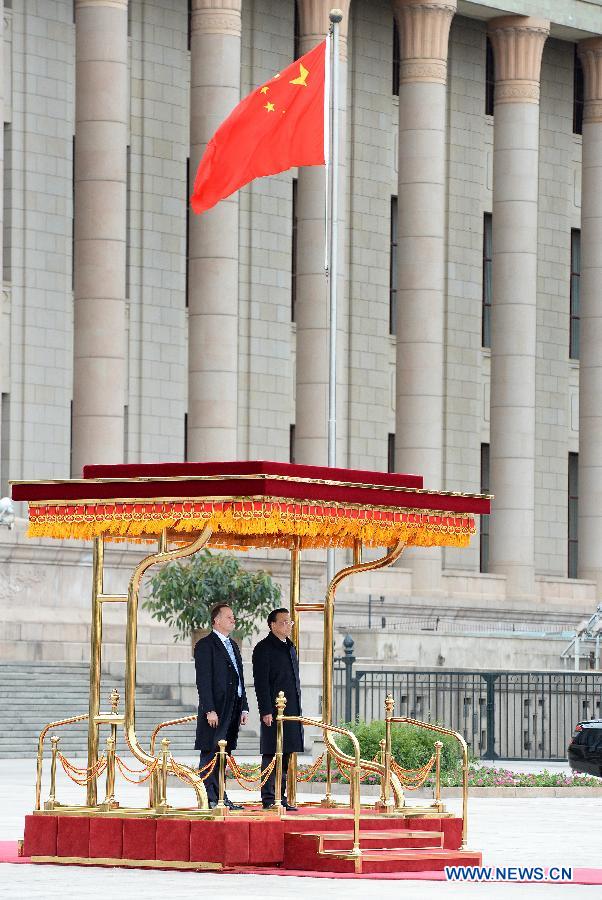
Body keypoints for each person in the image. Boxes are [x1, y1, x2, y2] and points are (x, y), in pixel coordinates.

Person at [194, 603, 249, 809]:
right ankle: (208, 796)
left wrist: (244, 706)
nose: (233, 620)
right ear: (216, 620)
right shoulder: (205, 645)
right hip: (216, 709)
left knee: (224, 755)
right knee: (211, 752)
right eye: (228, 617)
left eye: (233, 617)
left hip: (233, 707)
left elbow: (240, 678)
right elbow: (203, 680)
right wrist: (209, 709)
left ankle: (221, 796)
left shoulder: (233, 645)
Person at [252, 608, 304, 810]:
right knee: (272, 752)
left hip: (291, 710)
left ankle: (280, 797)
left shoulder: (290, 647)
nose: (288, 625)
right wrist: (266, 710)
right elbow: (261, 683)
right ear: (272, 625)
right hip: (274, 711)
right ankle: (268, 797)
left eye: (289, 622)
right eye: (283, 622)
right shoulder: (264, 648)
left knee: (286, 752)